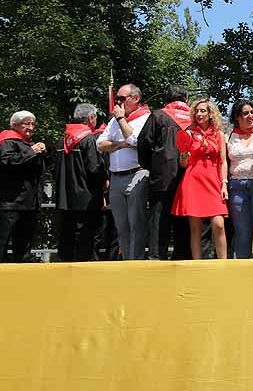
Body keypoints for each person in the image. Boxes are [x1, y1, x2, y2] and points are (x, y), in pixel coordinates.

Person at [137, 85, 193, 259]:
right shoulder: (196, 117)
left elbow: (143, 143)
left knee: (159, 220)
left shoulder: (158, 115)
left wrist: (151, 165)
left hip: (162, 176)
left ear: (167, 99)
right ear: (186, 100)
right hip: (189, 177)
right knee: (184, 221)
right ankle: (182, 259)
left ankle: (156, 258)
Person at [97, 83, 151, 259]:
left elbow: (135, 140)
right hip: (116, 177)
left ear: (136, 99)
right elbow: (100, 144)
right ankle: (127, 261)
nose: (118, 103)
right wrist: (120, 144)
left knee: (136, 224)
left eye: (122, 99)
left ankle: (136, 262)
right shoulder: (114, 119)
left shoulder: (145, 118)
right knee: (121, 225)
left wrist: (121, 120)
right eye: (117, 98)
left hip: (136, 173)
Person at [173, 99, 229, 259]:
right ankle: (197, 264)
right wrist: (183, 158)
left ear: (211, 114)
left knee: (219, 225)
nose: (199, 114)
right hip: (193, 181)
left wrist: (224, 184)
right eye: (196, 111)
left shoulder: (219, 135)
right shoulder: (189, 134)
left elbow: (223, 161)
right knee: (195, 228)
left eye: (203, 110)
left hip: (213, 181)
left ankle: (223, 264)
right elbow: (183, 164)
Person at [54, 103, 107, 262]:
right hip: (87, 198)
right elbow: (94, 169)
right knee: (86, 239)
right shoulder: (89, 140)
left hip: (64, 198)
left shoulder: (62, 139)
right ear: (91, 118)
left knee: (66, 238)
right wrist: (104, 181)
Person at [0, 111, 47, 262]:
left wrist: (43, 154)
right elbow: (8, 162)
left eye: (33, 124)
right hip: (10, 202)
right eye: (27, 123)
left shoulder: (29, 144)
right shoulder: (7, 141)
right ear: (15, 125)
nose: (31, 127)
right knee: (3, 241)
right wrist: (31, 152)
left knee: (24, 245)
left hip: (28, 202)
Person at [226, 100, 253, 258]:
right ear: (237, 117)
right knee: (241, 230)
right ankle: (243, 266)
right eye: (246, 113)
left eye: (252, 112)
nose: (250, 116)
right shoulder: (230, 135)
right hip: (236, 186)